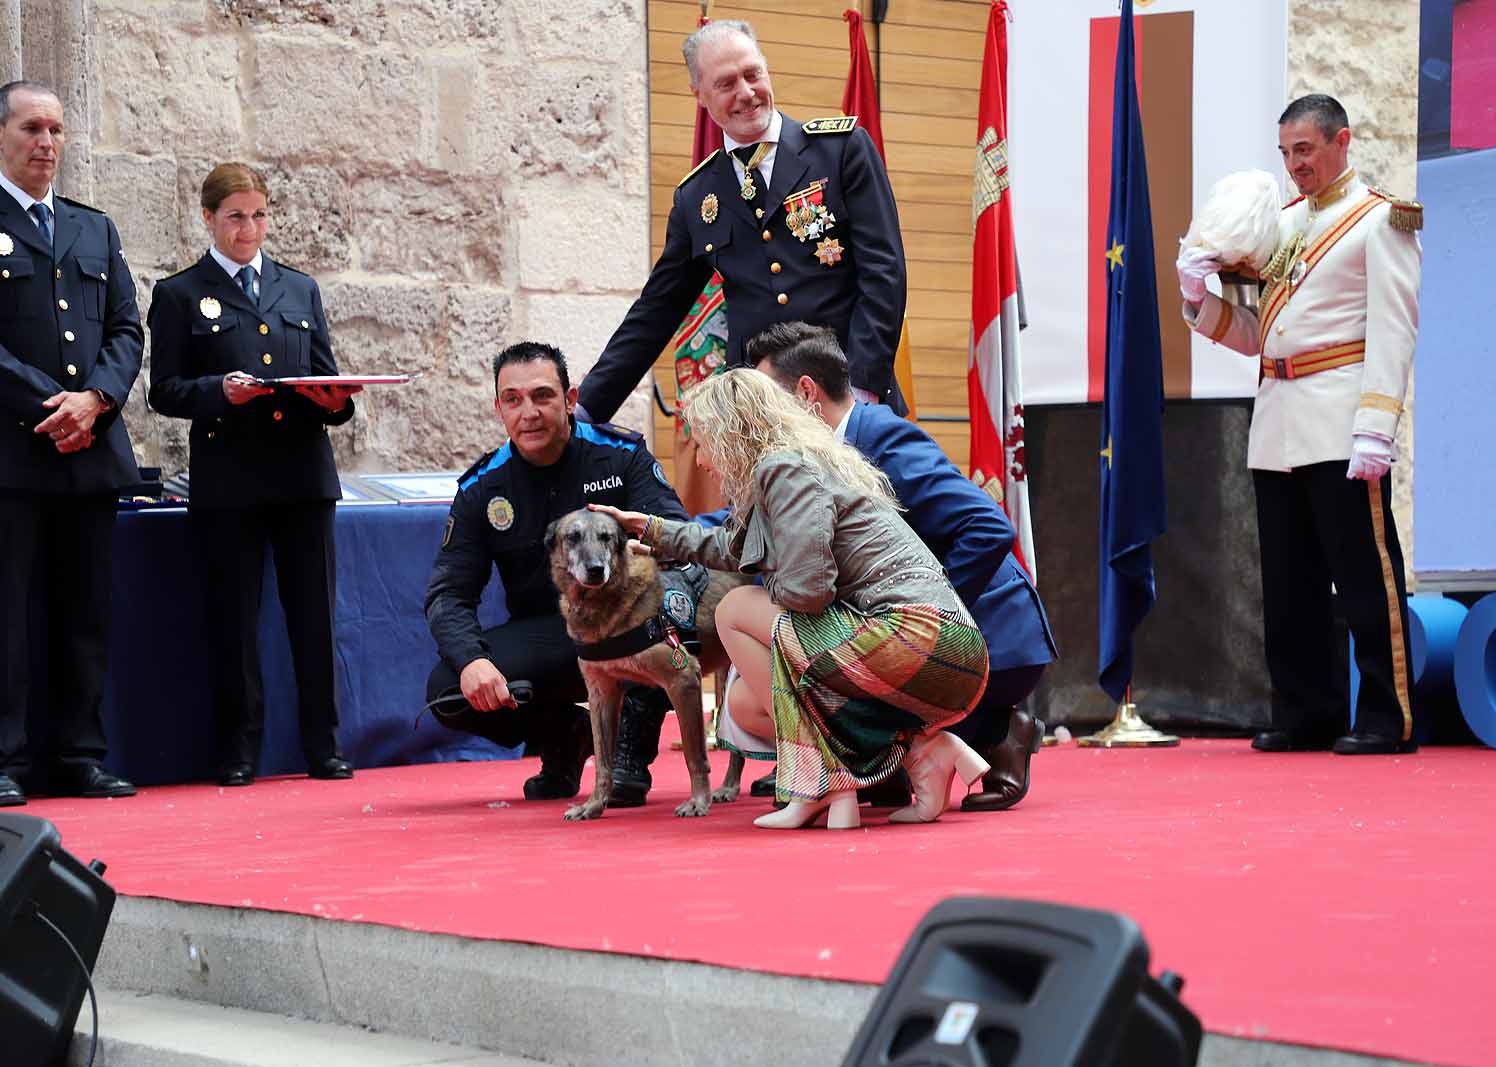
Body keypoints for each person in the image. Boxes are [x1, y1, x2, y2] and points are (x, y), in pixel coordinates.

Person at [592, 369, 991, 831]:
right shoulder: (794, 466)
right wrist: (648, 528)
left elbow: (807, 593)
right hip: (938, 648)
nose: (700, 460)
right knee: (744, 705)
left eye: (702, 442)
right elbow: (731, 550)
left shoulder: (785, 470)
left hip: (919, 640)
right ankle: (922, 755)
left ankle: (822, 783)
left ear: (730, 433)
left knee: (734, 610)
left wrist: (766, 574)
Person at [1175, 94, 1420, 755]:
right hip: (1279, 416)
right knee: (1290, 582)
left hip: (1342, 415)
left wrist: (1377, 425)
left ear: (1343, 141)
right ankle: (1307, 709)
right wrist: (1199, 300)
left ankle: (1386, 714)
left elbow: (1394, 331)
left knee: (1364, 575)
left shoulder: (1380, 221)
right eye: (1286, 153)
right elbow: (1261, 335)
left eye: (1305, 151)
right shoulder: (1282, 226)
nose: (1294, 166)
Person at [747, 322, 1057, 810]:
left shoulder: (883, 438)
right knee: (750, 700)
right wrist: (656, 532)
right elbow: (746, 525)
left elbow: (989, 528)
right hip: (912, 631)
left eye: (769, 400)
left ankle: (999, 732)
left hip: (996, 639)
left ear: (806, 392)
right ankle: (893, 760)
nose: (762, 416)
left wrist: (932, 621)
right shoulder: (811, 453)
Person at [575, 18, 909, 424]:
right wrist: (586, 409)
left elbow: (883, 273)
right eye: (727, 84)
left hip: (849, 397)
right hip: (758, 417)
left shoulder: (840, 151)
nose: (747, 93)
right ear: (699, 94)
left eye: (754, 74)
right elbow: (656, 311)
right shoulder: (696, 197)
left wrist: (857, 393)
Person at [148, 162, 363, 786]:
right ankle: (238, 749)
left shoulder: (299, 289)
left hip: (301, 472)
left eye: (259, 215)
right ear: (209, 217)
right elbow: (165, 390)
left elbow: (326, 375)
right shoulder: (180, 293)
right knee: (234, 620)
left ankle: (323, 744)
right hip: (230, 476)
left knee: (315, 618)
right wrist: (220, 390)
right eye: (236, 216)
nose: (249, 228)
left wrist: (336, 401)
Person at [423, 342, 691, 804]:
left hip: (628, 619)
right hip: (553, 639)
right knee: (447, 689)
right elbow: (447, 594)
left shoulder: (621, 456)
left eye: (543, 396)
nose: (529, 412)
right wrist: (472, 661)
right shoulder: (482, 488)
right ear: (498, 409)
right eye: (513, 399)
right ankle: (565, 734)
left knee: (677, 602)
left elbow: (678, 541)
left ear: (570, 400)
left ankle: (632, 742)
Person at [0, 81, 142, 806]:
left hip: (90, 449)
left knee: (86, 612)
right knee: (8, 613)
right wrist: (48, 404)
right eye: (32, 128)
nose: (47, 143)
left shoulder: (93, 228)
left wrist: (97, 400)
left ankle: (80, 754)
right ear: (3, 135)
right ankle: (6, 758)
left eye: (56, 130)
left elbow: (125, 328)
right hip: (13, 454)